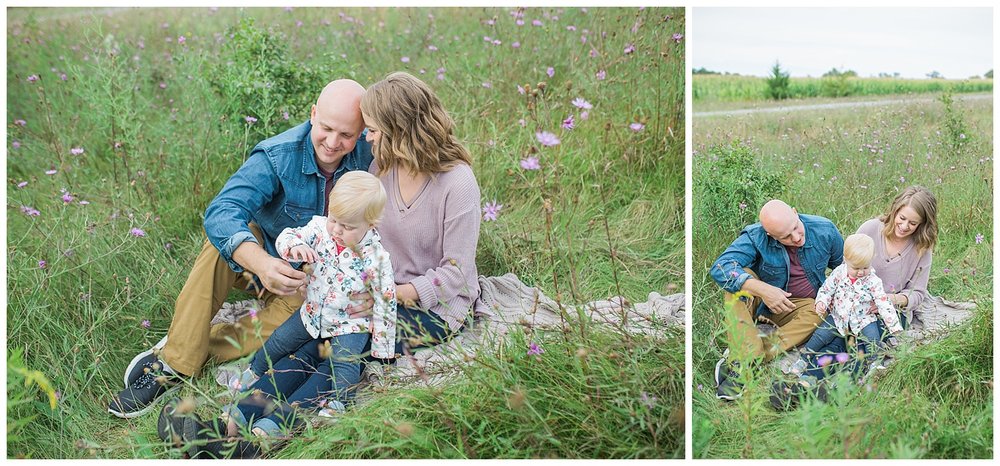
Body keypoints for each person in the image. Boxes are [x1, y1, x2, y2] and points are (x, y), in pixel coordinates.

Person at [158, 71, 481, 449]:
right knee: (312, 337)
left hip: (431, 309)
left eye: (373, 130)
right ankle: (228, 425)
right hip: (369, 293)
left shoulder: (456, 183)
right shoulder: (380, 170)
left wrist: (388, 293)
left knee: (333, 350)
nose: (367, 138)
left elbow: (456, 274)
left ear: (399, 130)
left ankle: (262, 438)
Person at [109, 79, 374, 418]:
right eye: (325, 128)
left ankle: (188, 344)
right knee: (221, 244)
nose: (333, 142)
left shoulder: (369, 152)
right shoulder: (278, 155)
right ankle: (173, 365)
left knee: (301, 328)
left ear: (362, 132)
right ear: (312, 114)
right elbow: (222, 212)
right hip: (258, 265)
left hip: (305, 286)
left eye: (347, 135)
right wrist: (262, 263)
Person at [230, 171, 397, 402]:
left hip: (350, 323)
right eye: (333, 219)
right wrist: (295, 247)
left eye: (347, 226)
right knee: (280, 339)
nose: (337, 230)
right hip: (313, 310)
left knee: (345, 363)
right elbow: (286, 236)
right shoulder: (319, 230)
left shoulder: (375, 258)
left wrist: (383, 352)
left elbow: (385, 304)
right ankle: (254, 371)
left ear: (370, 224)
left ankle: (339, 402)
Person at [709, 199, 844, 400]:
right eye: (786, 237)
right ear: (771, 235)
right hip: (762, 305)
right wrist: (764, 290)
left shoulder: (825, 230)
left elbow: (843, 270)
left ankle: (744, 360)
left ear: (795, 212)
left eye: (796, 228)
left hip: (800, 307)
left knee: (821, 310)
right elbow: (721, 268)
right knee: (736, 283)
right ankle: (747, 358)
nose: (797, 238)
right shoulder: (755, 237)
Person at [769, 234, 903, 410]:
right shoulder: (839, 273)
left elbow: (884, 303)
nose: (861, 272)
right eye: (857, 268)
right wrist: (822, 302)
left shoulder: (873, 281)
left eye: (865, 267)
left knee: (868, 346)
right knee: (823, 338)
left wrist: (895, 327)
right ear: (845, 260)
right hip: (840, 318)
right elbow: (826, 289)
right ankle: (802, 380)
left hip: (863, 320)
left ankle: (845, 385)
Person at [856, 186, 937, 328]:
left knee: (869, 338)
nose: (904, 226)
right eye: (902, 218)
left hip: (893, 310)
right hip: (858, 301)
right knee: (836, 333)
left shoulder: (921, 249)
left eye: (913, 223)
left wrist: (892, 300)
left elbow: (917, 292)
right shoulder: (869, 229)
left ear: (922, 224)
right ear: (895, 211)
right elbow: (847, 266)